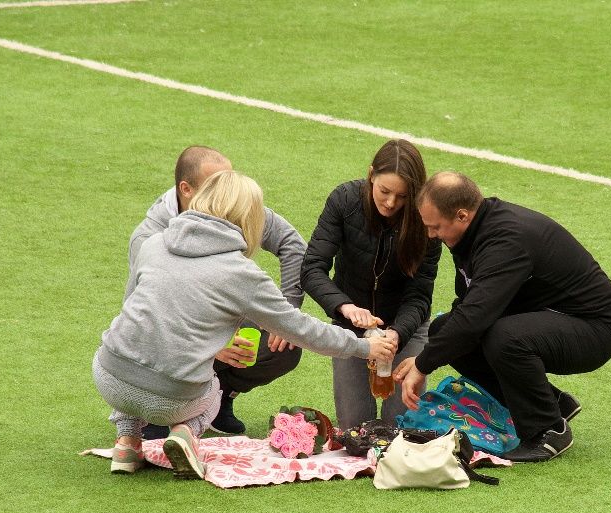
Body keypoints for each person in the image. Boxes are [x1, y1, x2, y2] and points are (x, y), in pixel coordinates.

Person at [93, 170, 395, 479]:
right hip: (173, 397)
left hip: (109, 376)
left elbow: (132, 314)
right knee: (211, 387)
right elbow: (301, 329)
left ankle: (127, 442)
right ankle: (185, 433)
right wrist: (363, 346)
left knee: (132, 345)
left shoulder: (153, 243)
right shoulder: (241, 274)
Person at [393, 172, 611, 462]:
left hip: (595, 330)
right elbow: (467, 305)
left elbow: (475, 318)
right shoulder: (472, 231)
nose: (430, 235)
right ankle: (552, 405)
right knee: (444, 329)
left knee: (503, 337)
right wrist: (431, 352)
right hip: (551, 317)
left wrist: (422, 364)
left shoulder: (506, 240)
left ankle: (548, 431)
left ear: (462, 215)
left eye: (435, 226)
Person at [130, 146, 306, 436]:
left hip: (218, 321)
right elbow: (148, 322)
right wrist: (211, 345)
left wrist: (288, 312)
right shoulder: (149, 238)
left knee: (284, 346)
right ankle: (155, 413)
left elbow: (293, 245)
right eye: (216, 185)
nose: (228, 192)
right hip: (170, 337)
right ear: (186, 189)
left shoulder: (233, 207)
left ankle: (220, 396)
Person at [301, 139, 442, 430]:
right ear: (371, 175)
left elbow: (420, 295)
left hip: (405, 327)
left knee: (402, 428)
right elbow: (312, 268)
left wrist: (397, 333)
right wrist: (346, 307)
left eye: (402, 196)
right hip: (351, 328)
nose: (391, 203)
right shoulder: (344, 200)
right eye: (384, 191)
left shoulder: (424, 220)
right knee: (355, 428)